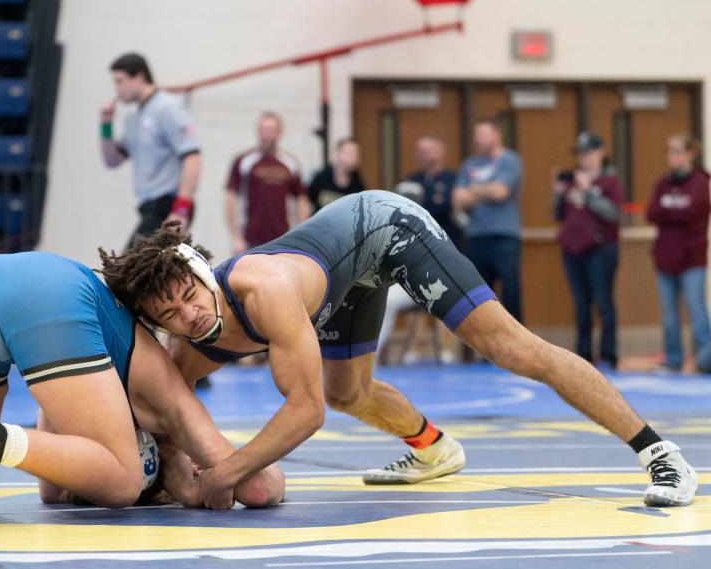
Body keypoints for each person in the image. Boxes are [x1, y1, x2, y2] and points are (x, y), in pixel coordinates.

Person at [100, 190, 699, 510]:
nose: (190, 314)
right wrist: (168, 472)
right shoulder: (192, 340)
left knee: (508, 346)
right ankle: (434, 449)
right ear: (157, 322)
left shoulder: (262, 289)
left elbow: (301, 413)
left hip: (388, 228)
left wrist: (223, 475)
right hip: (340, 279)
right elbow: (171, 414)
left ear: (202, 272)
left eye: (189, 296)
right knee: (347, 394)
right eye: (170, 314)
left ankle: (659, 451)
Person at [0, 252, 283, 510]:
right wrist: (207, 485)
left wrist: (177, 479)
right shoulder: (168, 393)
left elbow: (51, 490)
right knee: (122, 482)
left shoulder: (98, 387)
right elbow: (260, 488)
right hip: (45, 293)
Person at [100, 52, 201, 246]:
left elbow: (193, 158)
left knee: (130, 268)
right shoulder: (134, 117)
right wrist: (105, 124)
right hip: (149, 208)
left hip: (169, 205)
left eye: (120, 81)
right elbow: (112, 161)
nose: (116, 89)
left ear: (139, 77)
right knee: (145, 272)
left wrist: (181, 210)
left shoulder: (168, 108)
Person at [378, 135, 463, 362]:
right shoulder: (412, 181)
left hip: (444, 261)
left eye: (428, 150)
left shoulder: (452, 179)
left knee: (446, 296)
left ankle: (447, 348)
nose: (422, 155)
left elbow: (448, 208)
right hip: (413, 262)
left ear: (440, 152)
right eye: (419, 150)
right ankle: (372, 354)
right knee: (386, 298)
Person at [553, 132, 624, 370]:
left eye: (589, 153)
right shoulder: (571, 180)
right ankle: (583, 354)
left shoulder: (610, 181)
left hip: (600, 250)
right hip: (573, 250)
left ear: (600, 152)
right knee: (581, 305)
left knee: (603, 302)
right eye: (580, 154)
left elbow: (614, 214)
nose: (584, 159)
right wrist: (557, 192)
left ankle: (608, 354)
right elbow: (558, 214)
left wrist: (589, 192)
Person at [647, 133, 711, 374]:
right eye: (669, 151)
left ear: (689, 154)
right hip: (665, 257)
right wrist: (675, 208)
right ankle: (673, 358)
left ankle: (706, 359)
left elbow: (693, 211)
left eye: (677, 151)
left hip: (692, 259)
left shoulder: (700, 182)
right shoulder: (662, 184)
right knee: (669, 314)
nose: (672, 156)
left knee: (696, 309)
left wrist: (670, 209)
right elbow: (652, 212)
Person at [452, 119, 524, 321]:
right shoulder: (470, 164)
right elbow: (458, 199)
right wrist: (486, 190)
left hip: (504, 237)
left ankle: (516, 350)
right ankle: (484, 352)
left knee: (510, 294)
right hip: (476, 237)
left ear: (496, 135)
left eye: (482, 134)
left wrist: (474, 189)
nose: (478, 139)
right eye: (476, 135)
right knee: (480, 298)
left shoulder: (509, 160)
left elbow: (501, 192)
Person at [225, 112, 310, 253]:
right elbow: (230, 197)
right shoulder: (244, 162)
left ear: (279, 133)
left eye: (272, 131)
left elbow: (301, 199)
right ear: (258, 132)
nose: (268, 135)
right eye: (264, 130)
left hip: (283, 239)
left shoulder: (290, 163)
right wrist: (235, 236)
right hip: (250, 240)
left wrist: (302, 233)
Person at [307, 138, 365, 214]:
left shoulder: (358, 185)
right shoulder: (321, 178)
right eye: (350, 153)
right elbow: (306, 200)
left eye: (357, 154)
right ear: (337, 153)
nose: (354, 157)